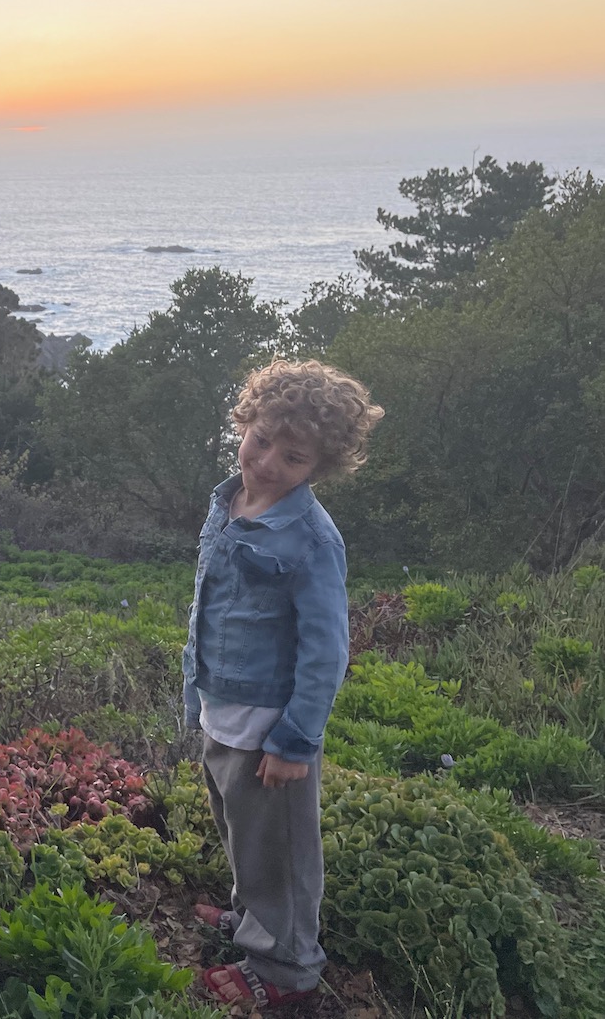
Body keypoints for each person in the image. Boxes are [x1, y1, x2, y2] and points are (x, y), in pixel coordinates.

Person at [182, 359, 383, 1010]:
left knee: (280, 852)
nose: (267, 462)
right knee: (243, 832)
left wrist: (296, 741)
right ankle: (251, 919)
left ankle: (286, 965)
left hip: (272, 725)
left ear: (318, 467)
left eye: (292, 456)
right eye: (260, 438)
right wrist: (198, 693)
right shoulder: (228, 499)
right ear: (243, 421)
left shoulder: (312, 539)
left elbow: (328, 648)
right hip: (222, 707)